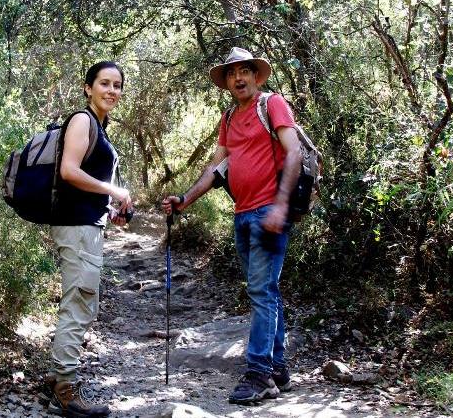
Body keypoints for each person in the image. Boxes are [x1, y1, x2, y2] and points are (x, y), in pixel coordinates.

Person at [161, 47, 302, 405]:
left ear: (256, 76)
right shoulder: (228, 118)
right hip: (242, 215)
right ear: (225, 82)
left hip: (269, 212)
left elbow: (294, 151)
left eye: (245, 71)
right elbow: (215, 168)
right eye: (231, 73)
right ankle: (278, 369)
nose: (239, 78)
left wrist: (280, 206)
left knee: (261, 292)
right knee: (265, 291)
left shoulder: (272, 105)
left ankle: (259, 374)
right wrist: (184, 199)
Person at [45, 61, 132, 418]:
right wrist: (113, 189)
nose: (111, 91)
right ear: (88, 88)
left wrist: (110, 208)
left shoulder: (100, 126)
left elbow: (81, 183)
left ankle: (57, 379)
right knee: (80, 305)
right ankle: (65, 391)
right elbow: (69, 171)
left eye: (117, 85)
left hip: (85, 223)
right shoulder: (83, 120)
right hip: (76, 227)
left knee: (81, 302)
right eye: (104, 83)